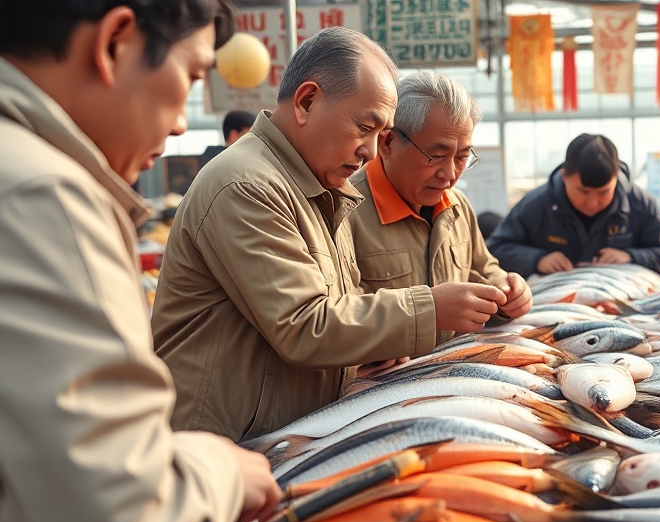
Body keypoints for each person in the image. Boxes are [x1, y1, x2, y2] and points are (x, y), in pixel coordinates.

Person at [0, 1, 280, 522]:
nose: (182, 123)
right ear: (115, 44)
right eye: (193, 74)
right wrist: (217, 467)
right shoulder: (41, 194)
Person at [151, 27, 507, 442]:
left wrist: (358, 358)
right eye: (364, 127)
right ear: (306, 102)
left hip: (281, 434)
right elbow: (304, 324)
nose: (371, 151)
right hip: (224, 444)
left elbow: (335, 307)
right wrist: (430, 309)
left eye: (380, 134)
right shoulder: (247, 186)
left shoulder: (320, 191)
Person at [349, 70, 532, 345]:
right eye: (435, 156)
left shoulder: (457, 206)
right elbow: (336, 318)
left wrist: (506, 292)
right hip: (387, 384)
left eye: (462, 157)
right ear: (387, 142)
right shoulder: (346, 209)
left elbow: (482, 269)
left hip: (451, 371)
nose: (449, 174)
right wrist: (427, 312)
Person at [487, 133, 660, 276]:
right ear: (564, 176)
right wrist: (537, 259)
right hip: (557, 303)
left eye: (604, 192)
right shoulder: (535, 205)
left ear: (616, 177)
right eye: (583, 192)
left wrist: (631, 257)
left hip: (621, 301)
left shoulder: (640, 204)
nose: (593, 203)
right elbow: (495, 250)